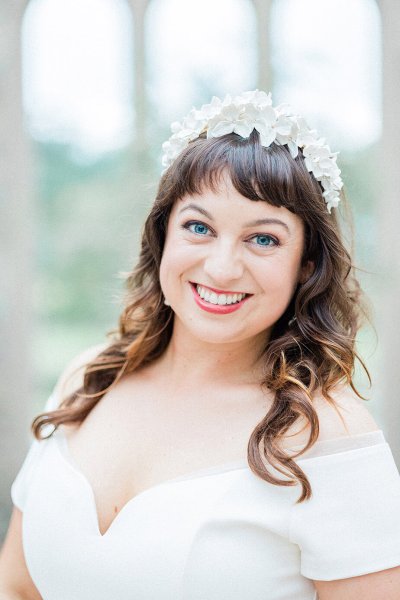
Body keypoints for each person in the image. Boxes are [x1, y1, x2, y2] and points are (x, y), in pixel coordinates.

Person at [1, 90, 400, 600]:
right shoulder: (89, 379)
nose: (221, 267)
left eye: (263, 239)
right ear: (162, 235)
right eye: (198, 227)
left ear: (306, 266)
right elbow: (15, 586)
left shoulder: (329, 435)